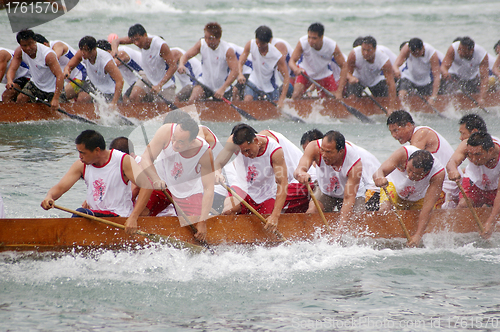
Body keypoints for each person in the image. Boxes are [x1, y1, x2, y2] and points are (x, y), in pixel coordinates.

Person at [40, 130, 154, 234]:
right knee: (81, 214)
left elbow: (147, 185)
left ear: (97, 151)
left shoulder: (122, 160)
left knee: (80, 213)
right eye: (79, 152)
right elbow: (60, 187)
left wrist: (133, 217)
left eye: (83, 153)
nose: (80, 157)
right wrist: (49, 197)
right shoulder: (81, 165)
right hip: (95, 216)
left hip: (118, 217)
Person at [138, 117, 215, 241]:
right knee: (142, 213)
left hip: (187, 192)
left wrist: (202, 221)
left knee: (195, 232)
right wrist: (156, 179)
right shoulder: (165, 131)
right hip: (161, 184)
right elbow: (146, 158)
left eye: (181, 142)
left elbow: (208, 188)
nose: (174, 144)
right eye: (174, 138)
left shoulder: (204, 151)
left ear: (192, 142)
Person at [214, 124, 287, 232]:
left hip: (265, 194)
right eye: (241, 152)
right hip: (241, 187)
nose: (245, 155)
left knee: (265, 229)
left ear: (256, 141)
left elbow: (283, 183)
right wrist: (217, 173)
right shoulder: (233, 142)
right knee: (228, 211)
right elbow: (218, 162)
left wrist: (275, 216)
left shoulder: (275, 151)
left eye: (247, 150)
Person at [387, 110, 460, 208]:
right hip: (439, 183)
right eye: (391, 132)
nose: (394, 136)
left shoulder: (422, 133)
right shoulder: (413, 141)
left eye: (396, 130)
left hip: (447, 185)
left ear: (408, 125)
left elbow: (411, 167)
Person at [373, 147, 445, 246]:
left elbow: (427, 209)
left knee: (420, 225)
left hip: (418, 196)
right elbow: (379, 172)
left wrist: (418, 235)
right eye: (409, 169)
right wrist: (379, 178)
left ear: (426, 172)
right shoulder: (402, 153)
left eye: (415, 173)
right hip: (393, 185)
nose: (410, 175)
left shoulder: (438, 174)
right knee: (384, 209)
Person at [294, 130, 363, 229]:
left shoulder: (354, 163)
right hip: (325, 190)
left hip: (350, 194)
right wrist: (301, 173)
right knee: (312, 212)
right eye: (322, 150)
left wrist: (339, 231)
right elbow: (298, 170)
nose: (324, 155)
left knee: (356, 224)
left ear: (340, 152)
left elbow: (348, 198)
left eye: (329, 152)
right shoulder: (313, 147)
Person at [446, 132, 500, 238]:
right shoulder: (466, 145)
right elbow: (452, 162)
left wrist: (490, 222)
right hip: (474, 181)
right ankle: (454, 236)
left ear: (490, 150)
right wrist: (452, 170)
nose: (474, 159)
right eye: (470, 154)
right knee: (462, 205)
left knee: (493, 217)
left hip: (495, 188)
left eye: (478, 155)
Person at [111, 24, 178, 102]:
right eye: (133, 41)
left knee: (164, 111)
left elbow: (173, 67)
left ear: (145, 35)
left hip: (164, 83)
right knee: (134, 97)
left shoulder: (160, 45)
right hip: (148, 77)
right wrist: (115, 50)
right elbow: (116, 41)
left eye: (138, 39)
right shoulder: (138, 39)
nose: (136, 43)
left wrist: (159, 85)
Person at [178, 22, 239, 103]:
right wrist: (181, 64)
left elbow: (235, 71)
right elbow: (186, 56)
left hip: (222, 87)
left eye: (210, 38)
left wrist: (223, 88)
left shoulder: (227, 50)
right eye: (205, 37)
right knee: (192, 101)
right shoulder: (201, 44)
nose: (207, 41)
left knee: (221, 113)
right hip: (204, 83)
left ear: (218, 38)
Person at [6, 29, 64, 109]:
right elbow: (12, 69)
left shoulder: (48, 55)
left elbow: (60, 76)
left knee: (55, 111)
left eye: (30, 44)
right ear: (20, 45)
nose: (28, 48)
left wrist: (56, 98)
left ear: (35, 41)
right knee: (21, 99)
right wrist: (10, 80)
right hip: (36, 85)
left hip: (53, 88)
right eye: (24, 45)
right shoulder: (19, 51)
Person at [338, 36, 397, 113]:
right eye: (363, 50)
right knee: (351, 95)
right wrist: (350, 77)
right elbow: (346, 73)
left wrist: (391, 108)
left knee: (384, 98)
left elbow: (391, 83)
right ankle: (350, 110)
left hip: (375, 81)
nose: (365, 53)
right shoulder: (354, 54)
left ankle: (382, 109)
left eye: (368, 50)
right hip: (357, 80)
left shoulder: (383, 60)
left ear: (375, 49)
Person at [288, 22, 346, 100]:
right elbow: (291, 61)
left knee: (333, 99)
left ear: (321, 37)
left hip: (324, 74)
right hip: (305, 72)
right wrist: (296, 69)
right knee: (296, 94)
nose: (310, 41)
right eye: (309, 37)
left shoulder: (331, 46)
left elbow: (344, 67)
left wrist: (339, 92)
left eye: (314, 38)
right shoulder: (303, 42)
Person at [237, 26, 290, 108]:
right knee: (247, 100)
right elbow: (241, 61)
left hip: (270, 86)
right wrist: (240, 73)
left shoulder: (276, 55)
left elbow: (286, 77)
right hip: (254, 81)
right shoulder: (251, 44)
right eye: (257, 42)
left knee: (274, 111)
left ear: (268, 41)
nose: (258, 45)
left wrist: (282, 100)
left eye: (262, 43)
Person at [64, 36, 123, 105]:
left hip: (109, 90)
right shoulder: (81, 54)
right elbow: (69, 66)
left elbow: (120, 81)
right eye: (81, 49)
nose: (83, 53)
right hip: (92, 84)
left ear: (94, 49)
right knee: (82, 98)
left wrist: (114, 103)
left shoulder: (106, 61)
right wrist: (67, 71)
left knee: (109, 110)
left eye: (86, 50)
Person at [34, 33, 88, 102]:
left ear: (45, 45)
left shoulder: (57, 45)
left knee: (59, 97)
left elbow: (55, 59)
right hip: (70, 79)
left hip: (81, 76)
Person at [440, 36, 489, 107]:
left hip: (472, 78)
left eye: (462, 50)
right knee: (445, 86)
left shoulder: (482, 55)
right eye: (459, 49)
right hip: (454, 76)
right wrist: (445, 72)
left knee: (478, 91)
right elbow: (443, 66)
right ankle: (445, 104)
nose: (459, 52)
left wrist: (482, 98)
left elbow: (484, 78)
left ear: (471, 50)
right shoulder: (453, 48)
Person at [393, 38, 441, 104]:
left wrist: (433, 97)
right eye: (413, 53)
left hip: (425, 81)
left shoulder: (431, 53)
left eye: (417, 53)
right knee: (402, 94)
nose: (415, 55)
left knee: (432, 96)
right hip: (409, 77)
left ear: (423, 48)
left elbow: (436, 76)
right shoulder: (406, 48)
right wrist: (396, 71)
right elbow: (396, 65)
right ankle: (405, 109)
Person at [105, 34, 145, 102]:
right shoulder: (116, 53)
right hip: (136, 80)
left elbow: (108, 67)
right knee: (126, 99)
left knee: (127, 99)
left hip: (143, 76)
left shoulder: (121, 52)